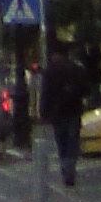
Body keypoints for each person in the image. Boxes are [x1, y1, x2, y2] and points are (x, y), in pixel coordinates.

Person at [41, 38, 90, 190]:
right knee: (72, 141)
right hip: (74, 110)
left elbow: (46, 93)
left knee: (61, 141)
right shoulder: (76, 69)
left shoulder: (50, 71)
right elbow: (86, 90)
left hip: (57, 112)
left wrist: (44, 111)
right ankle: (70, 170)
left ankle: (65, 169)